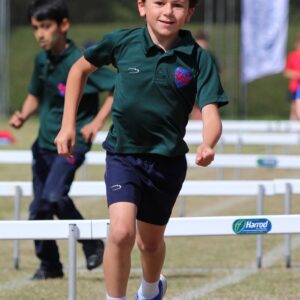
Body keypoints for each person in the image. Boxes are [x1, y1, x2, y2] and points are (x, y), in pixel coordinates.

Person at [55, 0, 228, 298]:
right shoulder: (122, 42)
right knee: (121, 232)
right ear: (141, 6)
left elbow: (211, 111)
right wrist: (67, 124)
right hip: (124, 155)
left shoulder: (199, 58)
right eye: (159, 2)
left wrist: (208, 143)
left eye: (177, 5)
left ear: (189, 12)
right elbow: (78, 71)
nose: (167, 11)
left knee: (149, 243)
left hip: (167, 162)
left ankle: (150, 289)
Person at [9, 0, 116, 280]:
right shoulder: (41, 59)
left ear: (64, 25)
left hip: (72, 144)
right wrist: (23, 114)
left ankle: (91, 243)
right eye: (35, 28)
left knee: (54, 197)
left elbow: (117, 86)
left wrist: (96, 121)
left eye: (45, 27)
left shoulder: (81, 62)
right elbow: (35, 94)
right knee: (38, 209)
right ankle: (50, 266)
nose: (39, 34)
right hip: (43, 144)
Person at [191, 30, 221, 120]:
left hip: (208, 89)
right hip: (195, 90)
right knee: (197, 114)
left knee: (211, 113)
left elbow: (218, 73)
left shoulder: (211, 57)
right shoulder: (191, 56)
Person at [284, 34, 300, 120]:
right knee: (294, 111)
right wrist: (297, 75)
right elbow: (286, 72)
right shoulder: (292, 56)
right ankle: (292, 132)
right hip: (294, 88)